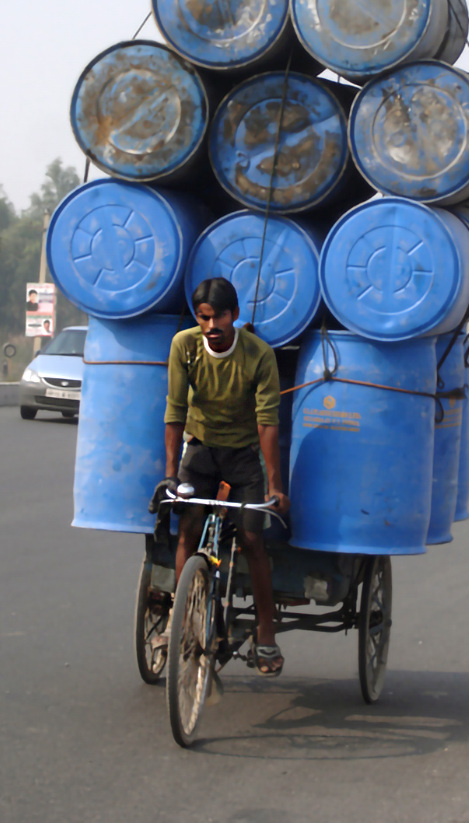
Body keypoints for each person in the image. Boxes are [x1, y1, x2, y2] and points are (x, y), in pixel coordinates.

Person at [152, 277, 289, 677]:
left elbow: (267, 423)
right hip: (200, 451)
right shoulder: (185, 346)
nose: (212, 325)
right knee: (187, 530)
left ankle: (266, 630)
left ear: (234, 316)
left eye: (220, 317)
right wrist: (170, 476)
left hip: (243, 457)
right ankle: (184, 617)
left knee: (251, 539)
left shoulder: (258, 355)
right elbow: (175, 410)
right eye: (204, 317)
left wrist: (275, 485)